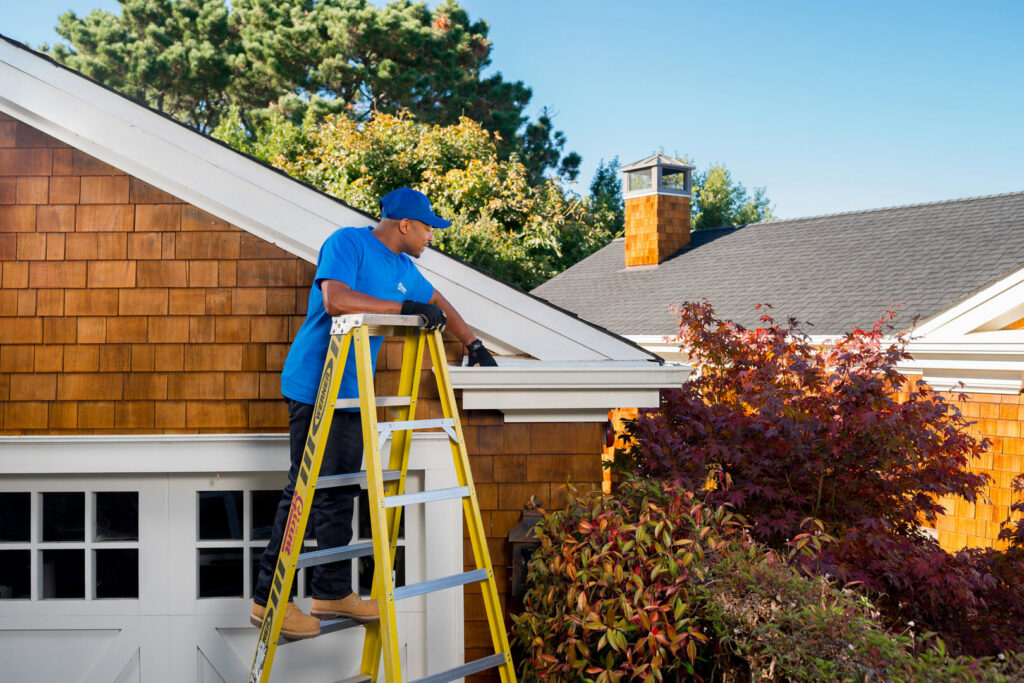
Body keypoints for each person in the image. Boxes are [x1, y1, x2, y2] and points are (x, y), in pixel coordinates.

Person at [251, 187, 497, 639]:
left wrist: (473, 345)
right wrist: (404, 309)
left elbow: (439, 304)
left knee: (340, 490)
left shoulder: (405, 269)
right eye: (427, 229)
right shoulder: (348, 243)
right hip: (313, 384)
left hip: (350, 390)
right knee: (303, 490)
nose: (430, 238)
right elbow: (337, 301)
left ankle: (331, 590)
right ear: (405, 224)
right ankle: (268, 600)